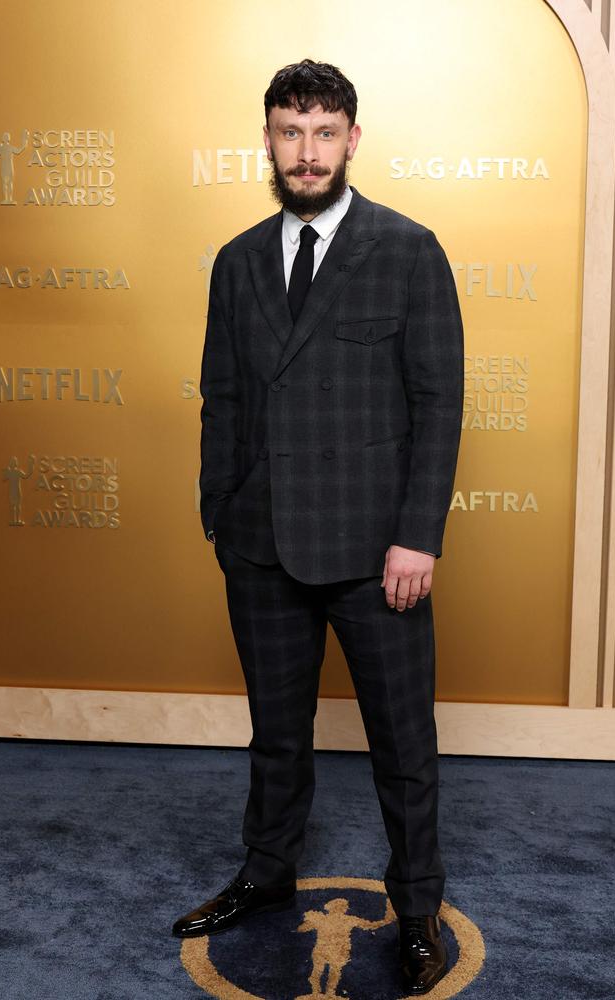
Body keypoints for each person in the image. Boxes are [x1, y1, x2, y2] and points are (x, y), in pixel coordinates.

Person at [172, 58, 464, 996]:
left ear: (352, 139)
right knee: (276, 735)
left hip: (377, 551)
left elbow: (439, 403)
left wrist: (418, 536)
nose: (307, 151)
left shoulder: (408, 248)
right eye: (290, 132)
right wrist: (220, 505)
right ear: (267, 138)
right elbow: (222, 395)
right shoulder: (237, 258)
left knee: (403, 744)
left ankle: (416, 907)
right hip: (259, 543)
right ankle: (266, 873)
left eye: (324, 131)